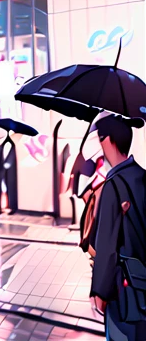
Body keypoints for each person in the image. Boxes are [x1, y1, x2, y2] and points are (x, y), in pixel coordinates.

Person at [89, 114, 146, 339]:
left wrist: (99, 291)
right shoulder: (142, 176)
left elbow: (106, 244)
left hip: (123, 292)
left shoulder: (113, 185)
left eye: (101, 138)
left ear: (109, 140)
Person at [1, 133, 20, 214]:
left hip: (11, 171)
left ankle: (12, 206)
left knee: (11, 188)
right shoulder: (2, 145)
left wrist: (6, 164)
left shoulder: (13, 146)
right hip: (4, 170)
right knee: (6, 187)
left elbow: (11, 158)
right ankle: (7, 205)